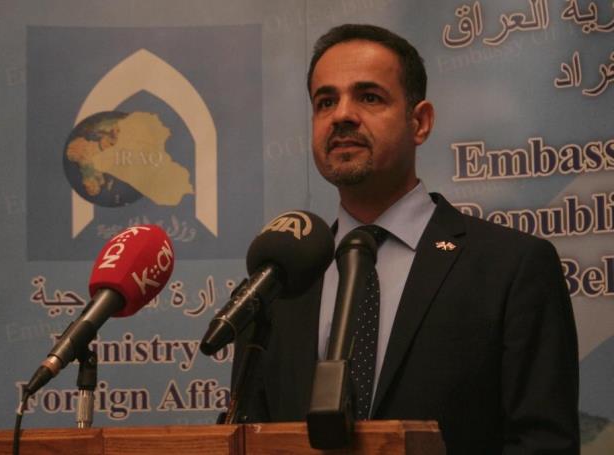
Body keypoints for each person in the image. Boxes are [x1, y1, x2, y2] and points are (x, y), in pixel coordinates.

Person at [232, 24, 580, 454]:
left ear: (420, 122)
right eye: (326, 102)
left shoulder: (512, 268)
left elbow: (543, 444)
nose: (341, 115)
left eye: (369, 97)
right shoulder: (278, 286)